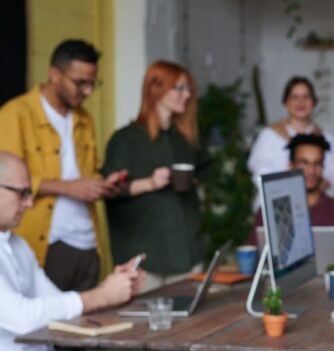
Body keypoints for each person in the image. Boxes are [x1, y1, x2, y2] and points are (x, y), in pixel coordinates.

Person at [0, 39, 127, 292]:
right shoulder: (15, 114)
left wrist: (102, 186)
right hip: (47, 244)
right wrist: (69, 188)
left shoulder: (84, 119)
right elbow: (7, 181)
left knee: (89, 324)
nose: (88, 91)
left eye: (93, 83)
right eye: (80, 83)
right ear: (54, 74)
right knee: (49, 326)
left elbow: (87, 172)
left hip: (89, 243)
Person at [0, 151, 144, 351]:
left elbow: (56, 302)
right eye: (22, 193)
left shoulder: (19, 245)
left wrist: (115, 289)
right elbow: (22, 318)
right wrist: (102, 295)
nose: (30, 203)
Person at [102, 60, 206, 292]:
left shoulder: (186, 140)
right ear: (155, 89)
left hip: (188, 252)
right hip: (146, 259)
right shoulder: (125, 139)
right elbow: (109, 189)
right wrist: (150, 183)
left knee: (193, 325)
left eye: (188, 88)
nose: (186, 94)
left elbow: (203, 172)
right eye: (179, 88)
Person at [250, 134, 334, 267]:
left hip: (327, 285)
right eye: (304, 163)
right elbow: (253, 262)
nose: (311, 171)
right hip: (281, 286)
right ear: (291, 166)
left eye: (317, 164)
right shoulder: (267, 212)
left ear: (323, 168)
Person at [247, 76, 334, 201]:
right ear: (286, 102)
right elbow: (260, 173)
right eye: (294, 97)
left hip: (312, 204)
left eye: (306, 97)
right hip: (275, 202)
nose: (300, 102)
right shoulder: (270, 135)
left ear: (313, 102)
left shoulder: (324, 138)